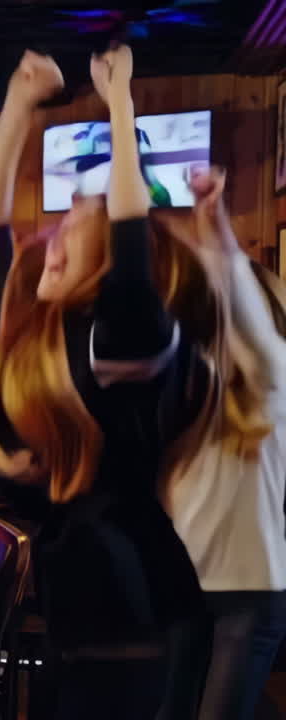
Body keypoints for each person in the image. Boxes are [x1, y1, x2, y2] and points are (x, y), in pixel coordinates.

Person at [0, 47, 207, 718]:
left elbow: (132, 241)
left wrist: (121, 102)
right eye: (56, 231)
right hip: (79, 603)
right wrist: (18, 104)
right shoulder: (42, 339)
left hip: (142, 607)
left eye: (73, 234)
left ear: (103, 263)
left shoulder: (123, 335)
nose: (51, 244)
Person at [157, 168, 286, 720]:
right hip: (191, 585)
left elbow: (248, 320)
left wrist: (213, 224)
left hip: (249, 594)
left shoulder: (273, 374)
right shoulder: (192, 379)